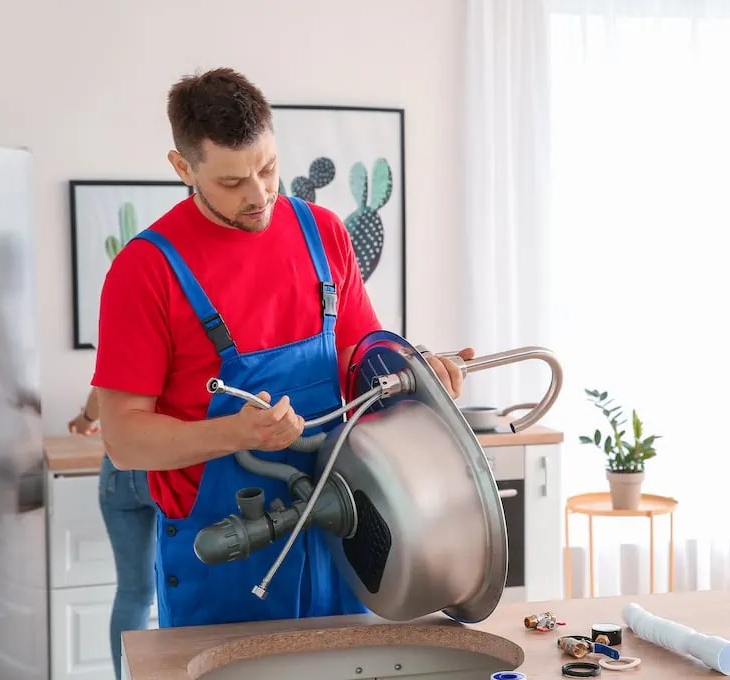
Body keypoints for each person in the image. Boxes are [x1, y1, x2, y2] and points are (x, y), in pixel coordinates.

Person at [91, 67, 472, 629]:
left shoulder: (324, 232)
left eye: (268, 168)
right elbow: (123, 439)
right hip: (222, 558)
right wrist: (236, 433)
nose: (258, 195)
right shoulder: (145, 271)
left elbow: (358, 363)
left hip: (347, 535)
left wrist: (416, 372)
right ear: (182, 168)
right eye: (230, 182)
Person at [68, 388, 156, 678]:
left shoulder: (125, 347)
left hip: (117, 470)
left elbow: (101, 391)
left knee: (134, 593)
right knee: (182, 587)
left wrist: (84, 420)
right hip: (161, 468)